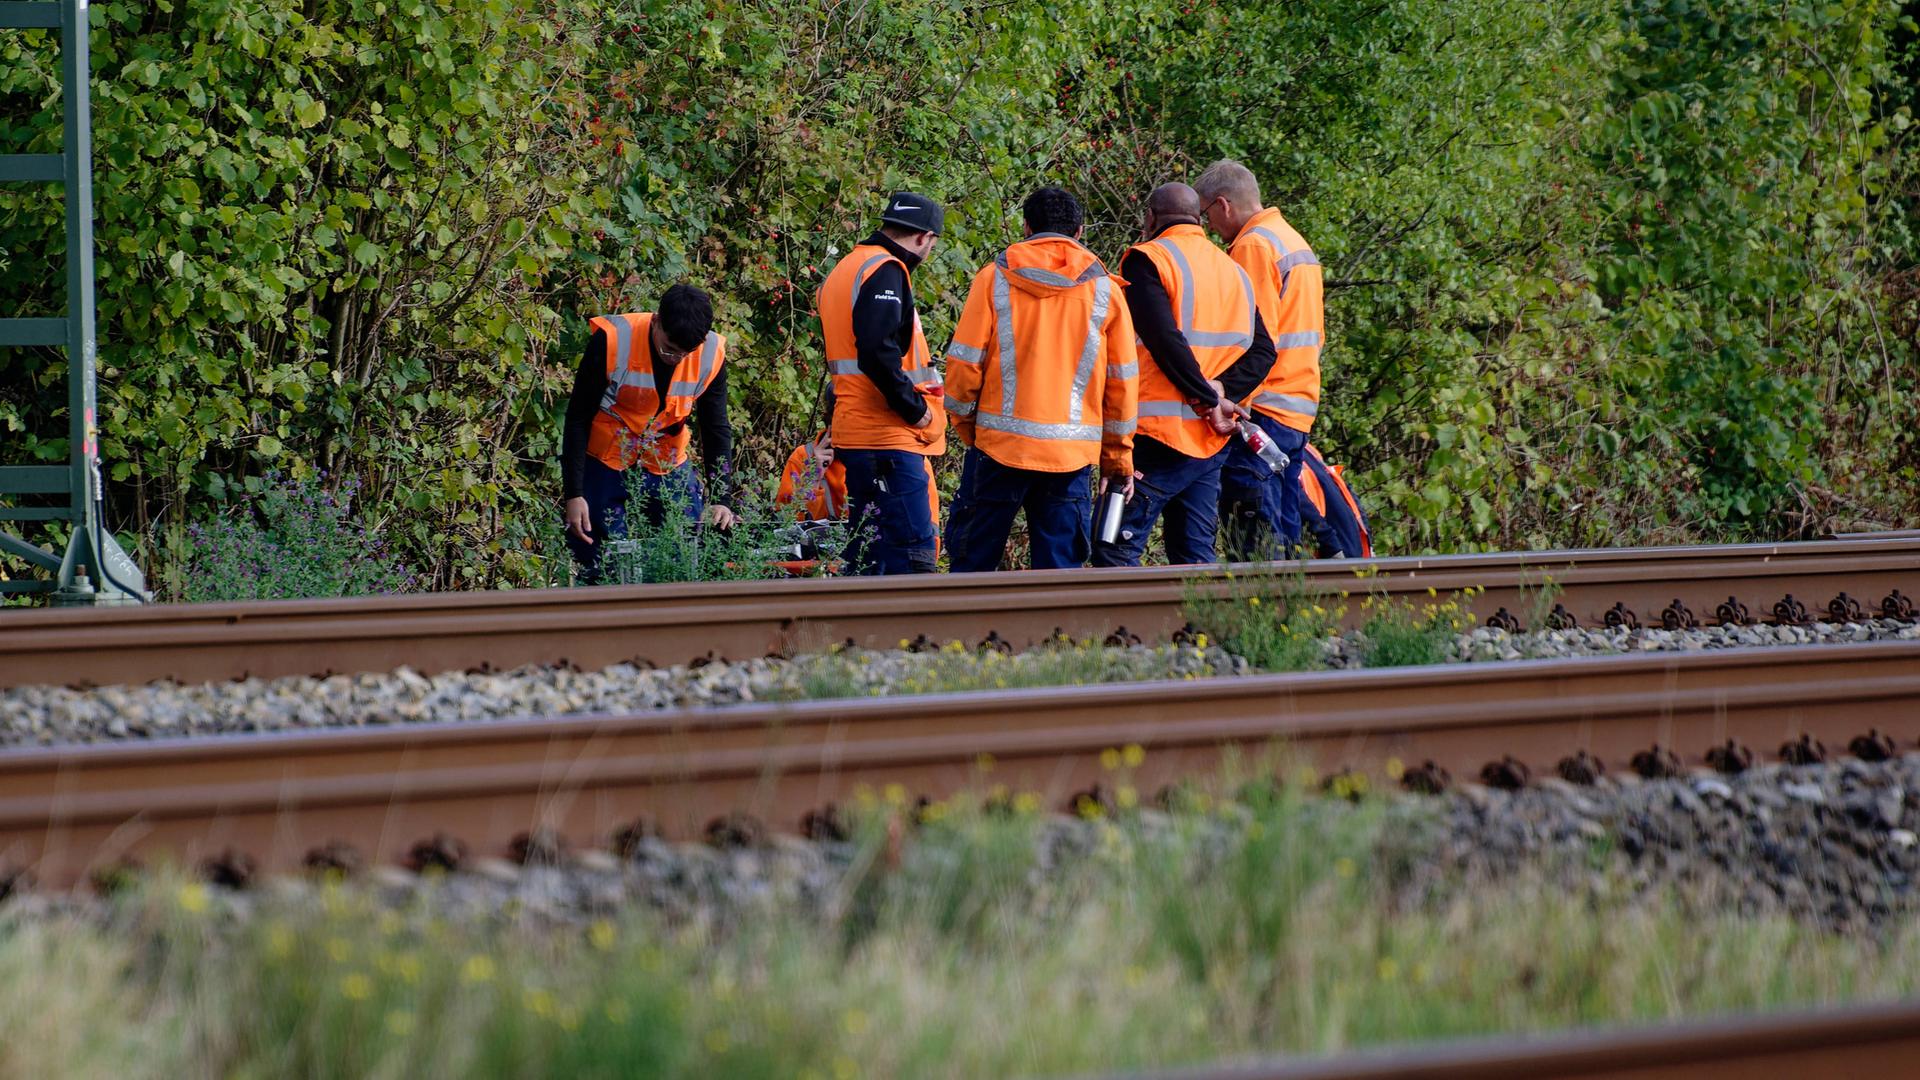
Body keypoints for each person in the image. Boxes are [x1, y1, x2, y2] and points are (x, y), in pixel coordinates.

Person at [942, 187, 1138, 571]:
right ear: (1079, 232)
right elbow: (1122, 386)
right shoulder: (1106, 291)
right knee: (1059, 578)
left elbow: (964, 366)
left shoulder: (993, 279)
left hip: (997, 448)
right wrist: (1117, 460)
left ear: (1027, 227)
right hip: (1070, 458)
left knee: (971, 570)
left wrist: (968, 428)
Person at [1090, 183, 1277, 567]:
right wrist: (1221, 392)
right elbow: (1264, 352)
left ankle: (1121, 614)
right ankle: (1199, 613)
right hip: (1209, 442)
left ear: (1150, 218)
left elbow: (1164, 340)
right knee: (1193, 560)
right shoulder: (1234, 271)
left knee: (1111, 547)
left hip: (1157, 436)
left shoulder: (1147, 259)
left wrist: (1208, 398)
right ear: (1198, 218)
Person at [560, 284, 736, 582]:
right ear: (656, 321)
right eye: (669, 349)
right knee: (598, 557)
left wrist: (722, 498)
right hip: (606, 458)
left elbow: (715, 426)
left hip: (667, 461)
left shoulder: (711, 354)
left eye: (686, 353)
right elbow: (578, 416)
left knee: (684, 553)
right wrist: (574, 494)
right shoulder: (613, 340)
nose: (675, 358)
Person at [1195, 159, 1324, 559]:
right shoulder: (1291, 239)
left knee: (1255, 539)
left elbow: (1253, 339)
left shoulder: (1253, 246)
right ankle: (1288, 599)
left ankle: (1261, 598)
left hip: (1262, 410)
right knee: (1284, 533)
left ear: (1223, 204)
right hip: (1296, 407)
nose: (1209, 226)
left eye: (1207, 214)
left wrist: (1231, 404)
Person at [816, 192, 948, 575]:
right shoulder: (885, 269)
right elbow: (876, 352)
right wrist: (916, 411)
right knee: (912, 557)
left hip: (858, 435)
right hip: (887, 438)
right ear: (924, 237)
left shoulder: (848, 267)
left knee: (869, 559)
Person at [1297, 442, 1373, 559]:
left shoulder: (1306, 447)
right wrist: (1332, 547)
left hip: (1350, 551)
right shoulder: (1280, 452)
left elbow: (1343, 489)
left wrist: (1367, 538)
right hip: (1325, 556)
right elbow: (1302, 506)